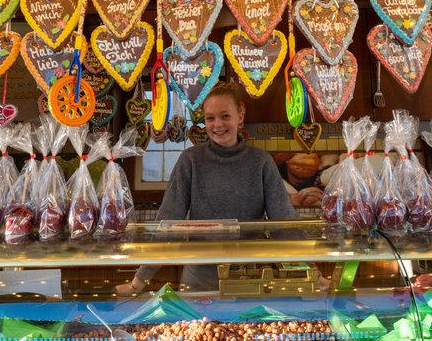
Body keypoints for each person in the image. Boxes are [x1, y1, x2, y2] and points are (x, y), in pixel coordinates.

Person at [116, 82, 297, 294]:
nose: (217, 124)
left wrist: (313, 270)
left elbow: (284, 223)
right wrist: (139, 281)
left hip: (248, 277)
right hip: (198, 278)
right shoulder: (190, 160)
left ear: (240, 116)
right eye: (210, 118)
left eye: (225, 116)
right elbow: (168, 222)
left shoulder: (262, 162)